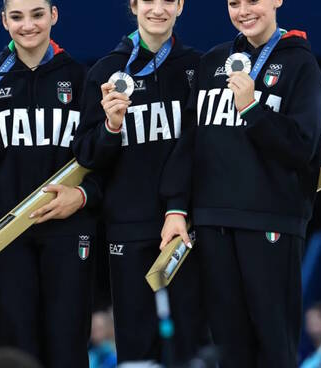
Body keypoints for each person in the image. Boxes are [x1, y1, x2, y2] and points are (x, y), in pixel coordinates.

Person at [160, 0, 321, 366]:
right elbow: (190, 141)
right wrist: (176, 206)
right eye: (234, 3)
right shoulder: (213, 62)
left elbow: (304, 147)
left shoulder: (302, 65)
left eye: (252, 1)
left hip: (271, 220)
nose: (243, 11)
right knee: (229, 347)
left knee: (273, 343)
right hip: (213, 221)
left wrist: (252, 108)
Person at [0, 0, 100, 366]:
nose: (27, 25)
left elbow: (105, 162)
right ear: (3, 21)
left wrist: (81, 197)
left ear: (54, 15)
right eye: (16, 16)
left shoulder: (82, 78)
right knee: (17, 349)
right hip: (7, 237)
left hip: (68, 231)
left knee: (68, 346)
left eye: (36, 14)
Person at [72, 0, 206, 363]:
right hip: (128, 227)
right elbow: (86, 156)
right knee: (136, 341)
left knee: (193, 338)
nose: (158, 9)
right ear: (133, 5)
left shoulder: (198, 67)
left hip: (187, 225)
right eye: (148, 0)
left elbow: (206, 149)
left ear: (180, 5)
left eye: (168, 0)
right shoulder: (106, 71)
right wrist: (111, 127)